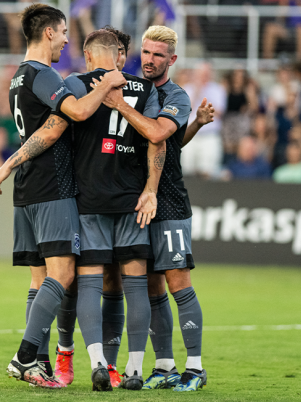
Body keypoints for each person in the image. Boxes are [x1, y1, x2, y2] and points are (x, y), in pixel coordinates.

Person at [0, 4, 127, 389]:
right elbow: (74, 116)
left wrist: (8, 165)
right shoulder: (42, 74)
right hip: (53, 186)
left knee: (39, 281)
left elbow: (43, 129)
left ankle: (40, 364)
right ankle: (24, 356)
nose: (67, 39)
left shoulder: (18, 76)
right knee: (62, 274)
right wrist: (106, 83)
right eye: (64, 32)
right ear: (49, 32)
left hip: (28, 189)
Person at [101, 25, 211, 392]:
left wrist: (119, 106)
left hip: (169, 202)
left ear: (172, 60)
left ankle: (195, 368)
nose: (149, 60)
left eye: (158, 55)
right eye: (146, 53)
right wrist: (195, 125)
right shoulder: (136, 89)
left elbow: (160, 134)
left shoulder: (176, 95)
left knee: (178, 282)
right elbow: (173, 140)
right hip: (136, 200)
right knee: (151, 287)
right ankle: (164, 365)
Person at [63, 29, 165, 392]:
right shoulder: (146, 89)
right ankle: (135, 370)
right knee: (135, 286)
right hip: (131, 202)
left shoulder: (76, 84)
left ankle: (97, 364)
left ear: (89, 57)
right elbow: (157, 140)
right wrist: (150, 190)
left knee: (89, 283)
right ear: (119, 56)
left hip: (89, 201)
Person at [181, 62, 226, 179]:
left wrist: (205, 94)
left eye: (206, 73)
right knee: (187, 169)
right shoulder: (187, 89)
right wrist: (197, 91)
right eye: (201, 73)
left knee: (209, 170)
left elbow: (220, 112)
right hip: (190, 135)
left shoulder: (218, 89)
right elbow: (185, 110)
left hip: (210, 135)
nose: (204, 76)